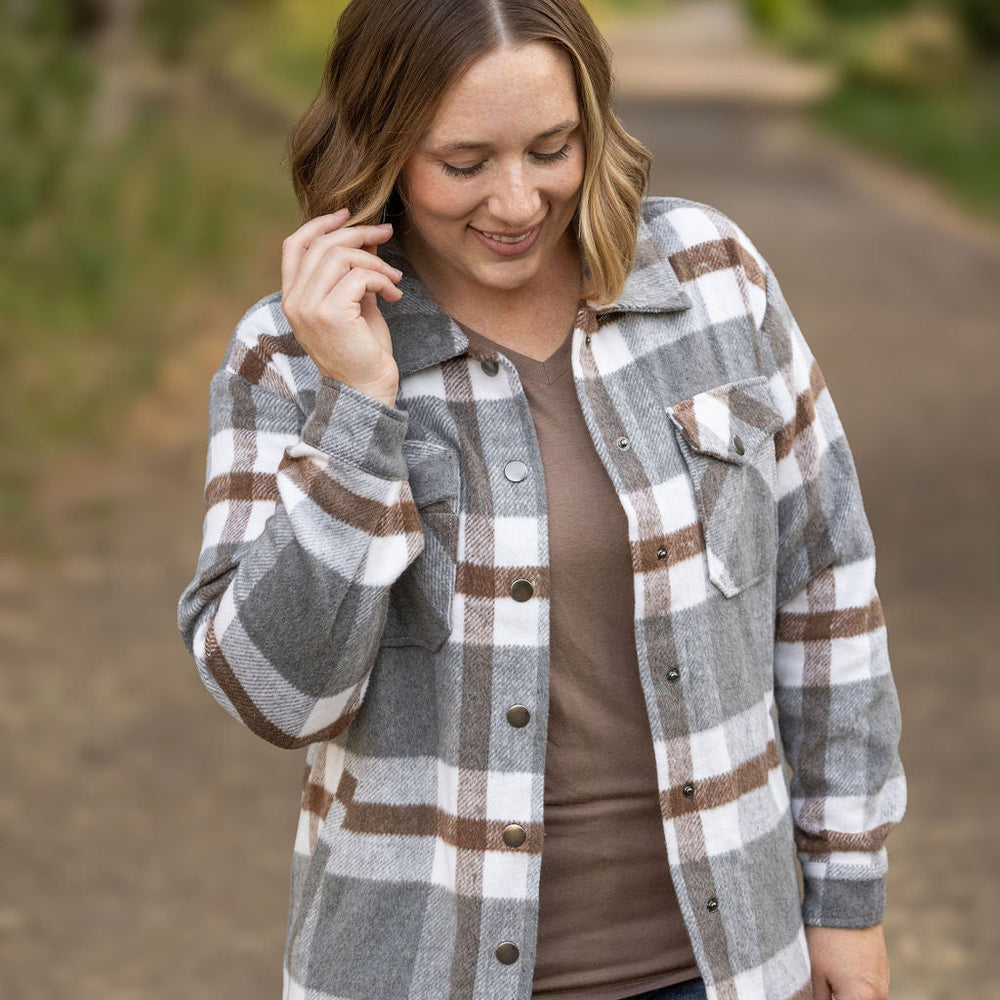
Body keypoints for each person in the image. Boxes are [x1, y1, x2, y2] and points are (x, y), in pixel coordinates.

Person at [177, 0, 906, 998]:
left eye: (551, 149)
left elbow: (823, 594)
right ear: (380, 146)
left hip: (728, 966)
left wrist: (846, 899)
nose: (517, 203)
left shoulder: (712, 278)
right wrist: (358, 406)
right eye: (464, 163)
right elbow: (278, 696)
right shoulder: (290, 356)